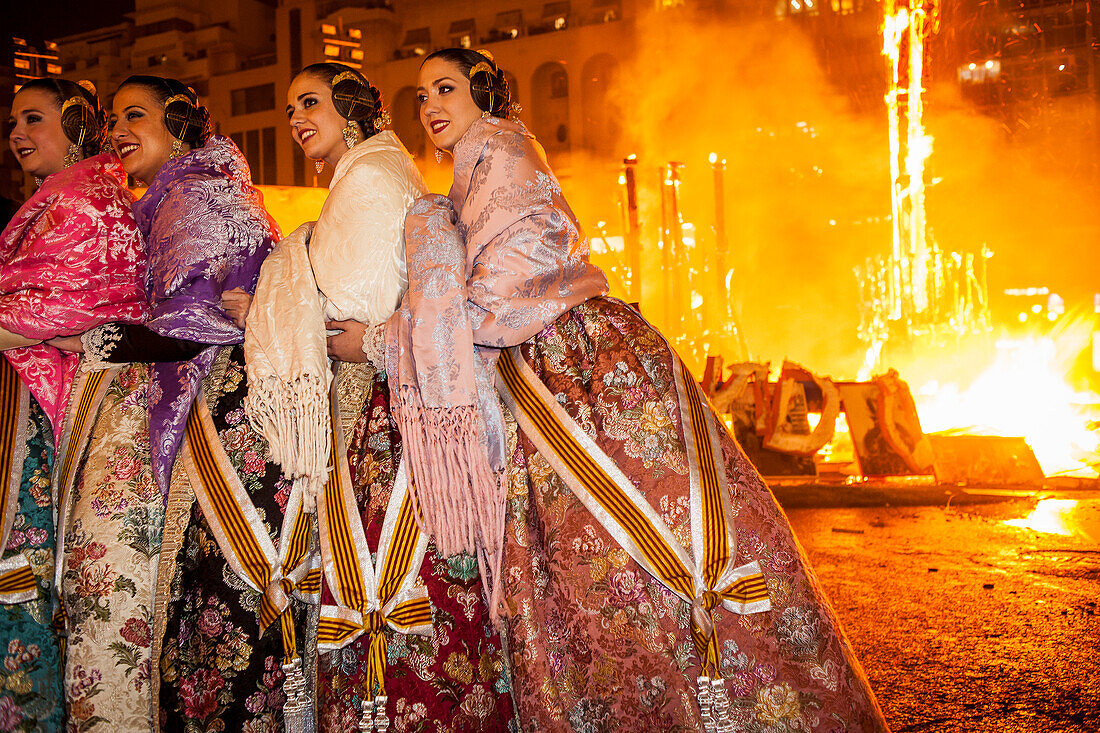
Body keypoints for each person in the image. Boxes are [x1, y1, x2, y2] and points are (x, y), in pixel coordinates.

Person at [388, 48, 891, 731]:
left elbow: (507, 291)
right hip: (551, 361)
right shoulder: (474, 166)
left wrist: (398, 333)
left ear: (483, 92)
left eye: (445, 89)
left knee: (630, 531)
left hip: (569, 365)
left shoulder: (502, 154)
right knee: (599, 546)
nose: (430, 108)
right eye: (420, 97)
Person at [243, 62, 516, 733]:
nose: (297, 119)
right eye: (288, 110)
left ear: (352, 107)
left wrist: (276, 281)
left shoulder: (370, 176)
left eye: (310, 102)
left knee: (385, 587)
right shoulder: (367, 173)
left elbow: (350, 305)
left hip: (388, 405)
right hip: (391, 393)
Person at [51, 75, 278, 731]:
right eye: (112, 118)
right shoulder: (177, 197)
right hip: (211, 414)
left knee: (203, 628)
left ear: (177, 125)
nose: (117, 130)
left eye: (135, 115)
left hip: (217, 430)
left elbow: (195, 325)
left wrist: (88, 335)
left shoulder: (196, 200)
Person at [0, 77, 148, 732]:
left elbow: (57, 308)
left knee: (25, 588)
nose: (16, 134)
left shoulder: (88, 203)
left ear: (78, 127)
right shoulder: (58, 200)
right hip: (34, 409)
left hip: (50, 417)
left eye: (34, 118)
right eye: (11, 122)